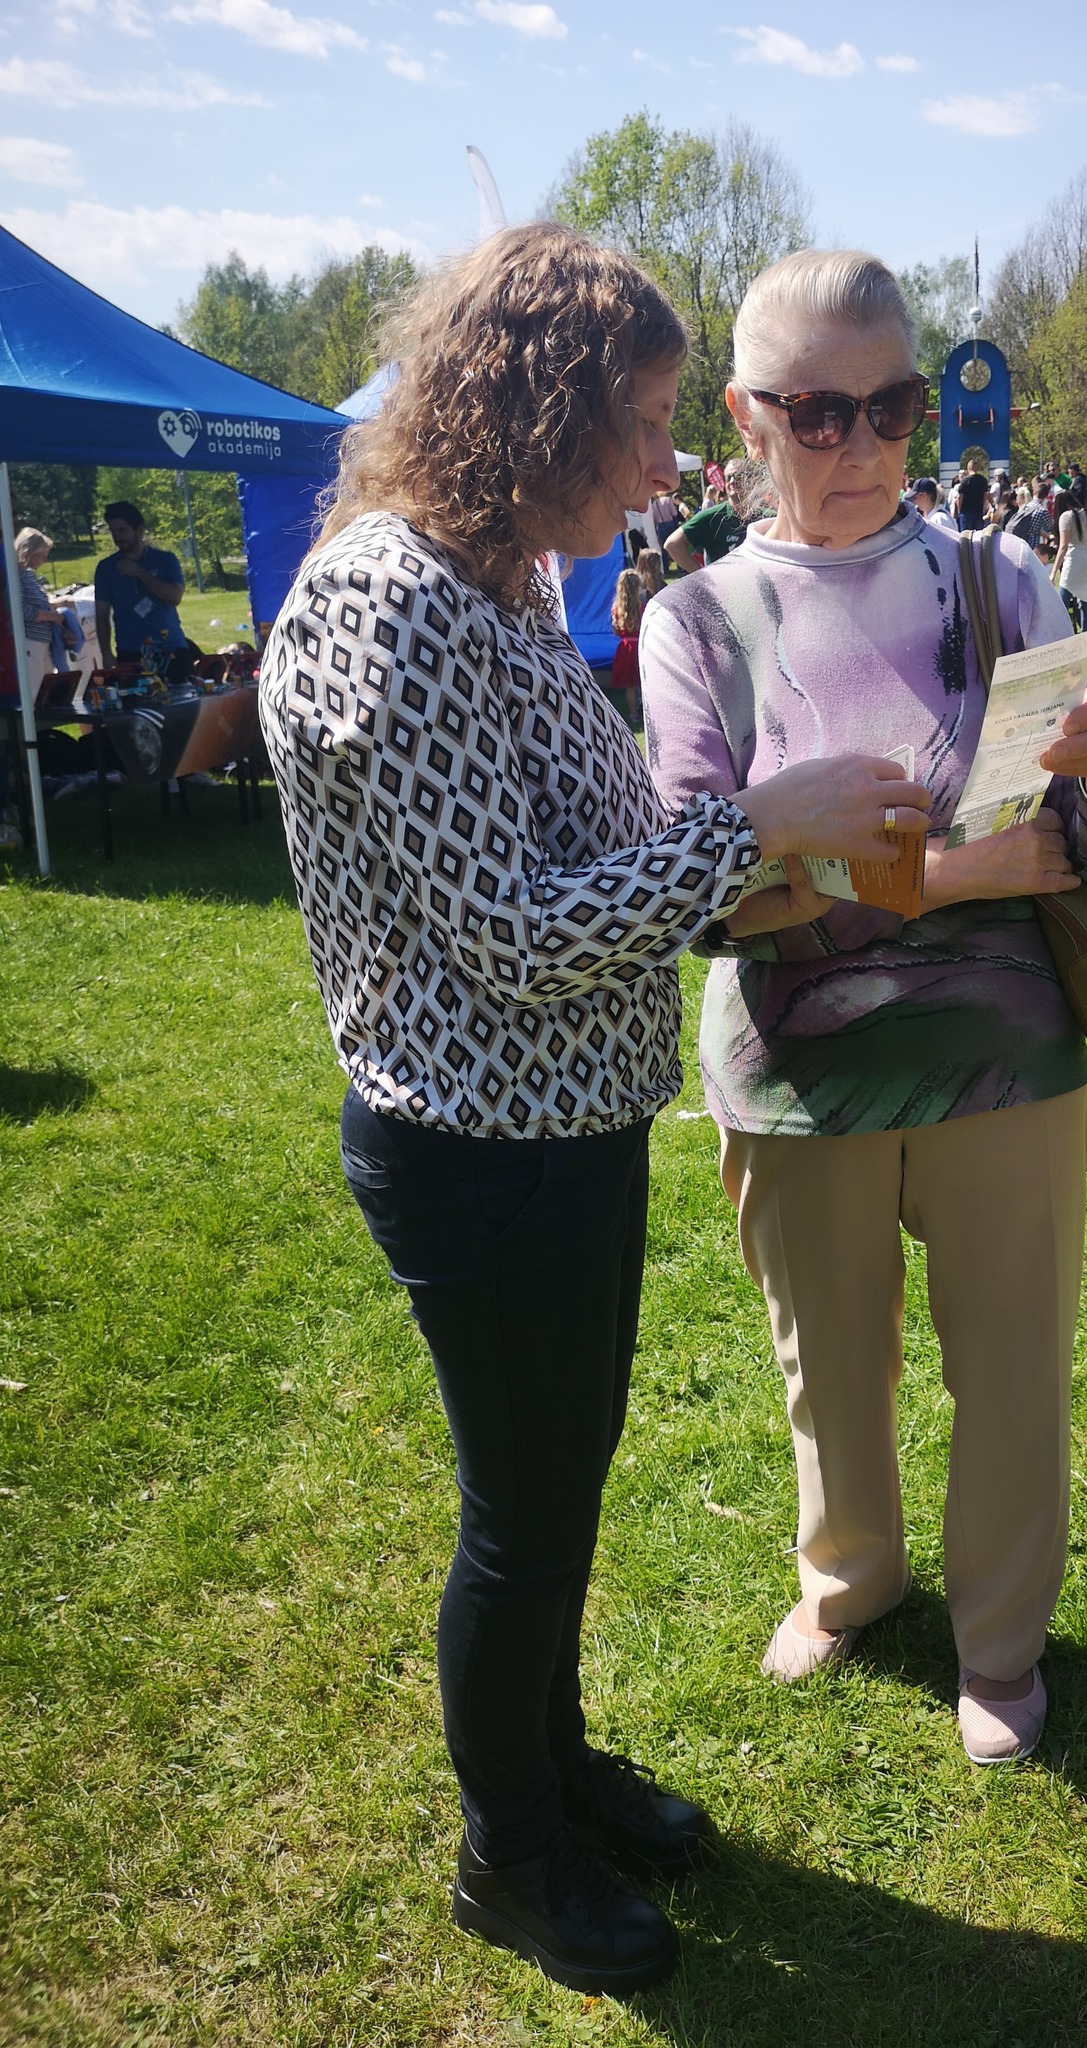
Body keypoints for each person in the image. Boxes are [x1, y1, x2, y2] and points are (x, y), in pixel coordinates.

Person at [256, 224, 931, 1996]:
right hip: (477, 1152)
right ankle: (512, 1855)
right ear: (534, 407)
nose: (662, 463)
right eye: (638, 421)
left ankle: (552, 1772)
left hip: (563, 1133)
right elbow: (510, 933)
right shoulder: (388, 599)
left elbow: (604, 854)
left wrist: (752, 861)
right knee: (522, 1518)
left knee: (557, 1491)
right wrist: (758, 829)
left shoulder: (488, 584)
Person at [641, 248, 1087, 1766]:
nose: (861, 445)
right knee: (828, 1362)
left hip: (1008, 1057)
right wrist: (953, 872)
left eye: (893, 407)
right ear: (745, 415)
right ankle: (849, 1577)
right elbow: (704, 892)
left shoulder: (1002, 581)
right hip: (795, 1076)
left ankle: (1001, 1642)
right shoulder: (698, 622)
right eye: (818, 412)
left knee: (1013, 1364)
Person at [93, 501, 186, 667]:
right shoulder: (106, 568)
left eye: (122, 530)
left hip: (170, 648)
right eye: (113, 531)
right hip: (130, 652)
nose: (117, 537)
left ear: (139, 530)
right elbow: (101, 614)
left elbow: (175, 597)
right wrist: (106, 653)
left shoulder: (165, 560)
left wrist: (140, 573)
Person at [664, 457, 755, 574]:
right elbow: (672, 544)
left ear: (751, 480)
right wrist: (703, 576)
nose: (732, 481)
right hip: (723, 584)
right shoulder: (712, 517)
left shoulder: (767, 517)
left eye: (738, 476)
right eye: (728, 477)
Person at [14, 527, 84, 674]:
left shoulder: (29, 575)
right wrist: (54, 617)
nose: (44, 561)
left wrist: (64, 627)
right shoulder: (16, 576)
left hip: (43, 644)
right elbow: (20, 610)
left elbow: (43, 606)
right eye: (42, 556)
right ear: (28, 553)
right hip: (30, 644)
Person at [1053, 479, 1087, 631]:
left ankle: (1061, 634)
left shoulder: (1065, 517)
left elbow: (1063, 546)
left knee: (1063, 600)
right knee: (1085, 600)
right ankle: (1086, 635)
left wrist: (1053, 572)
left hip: (1074, 557)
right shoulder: (1085, 513)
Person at [609, 565, 646, 724]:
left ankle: (633, 714)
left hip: (625, 648)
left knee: (629, 685)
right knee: (643, 681)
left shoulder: (617, 609)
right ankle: (646, 710)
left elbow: (616, 631)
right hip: (640, 647)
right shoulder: (642, 607)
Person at [1006, 476, 1053, 554]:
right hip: (1033, 543)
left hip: (1021, 541)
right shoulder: (1042, 510)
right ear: (1046, 495)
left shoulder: (1026, 506)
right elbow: (1050, 527)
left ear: (1034, 493)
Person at [954, 457, 991, 532]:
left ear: (968, 468)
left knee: (965, 535)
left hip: (966, 512)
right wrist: (983, 508)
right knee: (978, 535)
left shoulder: (965, 481)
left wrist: (959, 510)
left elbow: (960, 497)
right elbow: (985, 496)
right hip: (978, 512)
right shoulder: (983, 480)